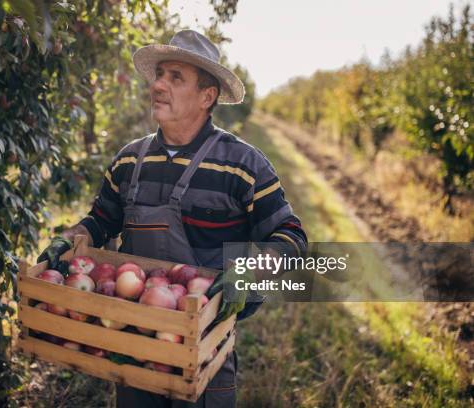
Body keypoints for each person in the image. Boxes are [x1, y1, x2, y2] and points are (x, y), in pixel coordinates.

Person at [38, 30, 307, 408]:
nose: (158, 85)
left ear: (207, 96)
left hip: (204, 352)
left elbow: (292, 238)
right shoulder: (130, 160)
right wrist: (74, 236)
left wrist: (248, 271)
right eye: (159, 74)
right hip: (134, 346)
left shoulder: (243, 165)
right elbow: (100, 221)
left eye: (175, 77)